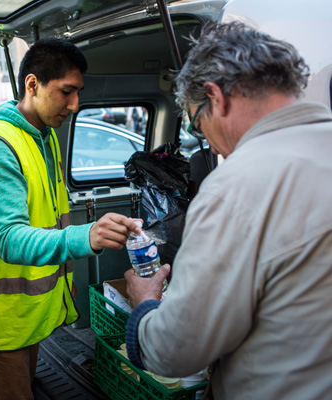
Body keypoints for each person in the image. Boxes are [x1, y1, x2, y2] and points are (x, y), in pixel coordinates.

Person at [124, 21, 332, 399]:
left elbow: (175, 352)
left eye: (198, 125)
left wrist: (145, 304)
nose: (213, 148)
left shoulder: (234, 188)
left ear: (215, 97)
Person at [0, 37, 141, 400]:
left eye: (78, 92)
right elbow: (10, 239)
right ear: (32, 85)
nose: (75, 105)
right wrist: (87, 236)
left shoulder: (42, 134)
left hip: (26, 315)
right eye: (67, 91)